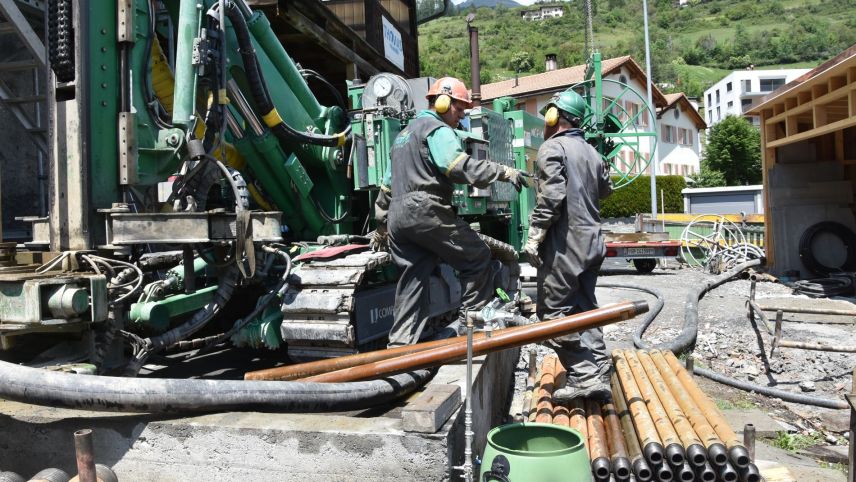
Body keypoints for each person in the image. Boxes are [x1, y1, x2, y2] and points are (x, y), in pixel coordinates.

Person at [373, 77, 530, 347]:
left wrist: (380, 226)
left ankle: (399, 348)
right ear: (443, 102)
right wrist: (503, 171)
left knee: (412, 279)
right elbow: (456, 166)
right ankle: (472, 325)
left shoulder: (402, 136)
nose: (461, 117)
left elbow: (386, 187)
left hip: (398, 217)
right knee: (477, 256)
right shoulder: (437, 129)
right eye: (459, 110)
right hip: (425, 210)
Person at [523, 90, 613, 401]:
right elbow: (605, 191)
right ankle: (601, 367)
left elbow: (552, 198)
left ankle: (586, 376)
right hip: (593, 240)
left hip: (567, 242)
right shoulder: (592, 152)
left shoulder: (552, 147)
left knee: (551, 313)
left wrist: (534, 235)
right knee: (585, 307)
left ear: (553, 117)